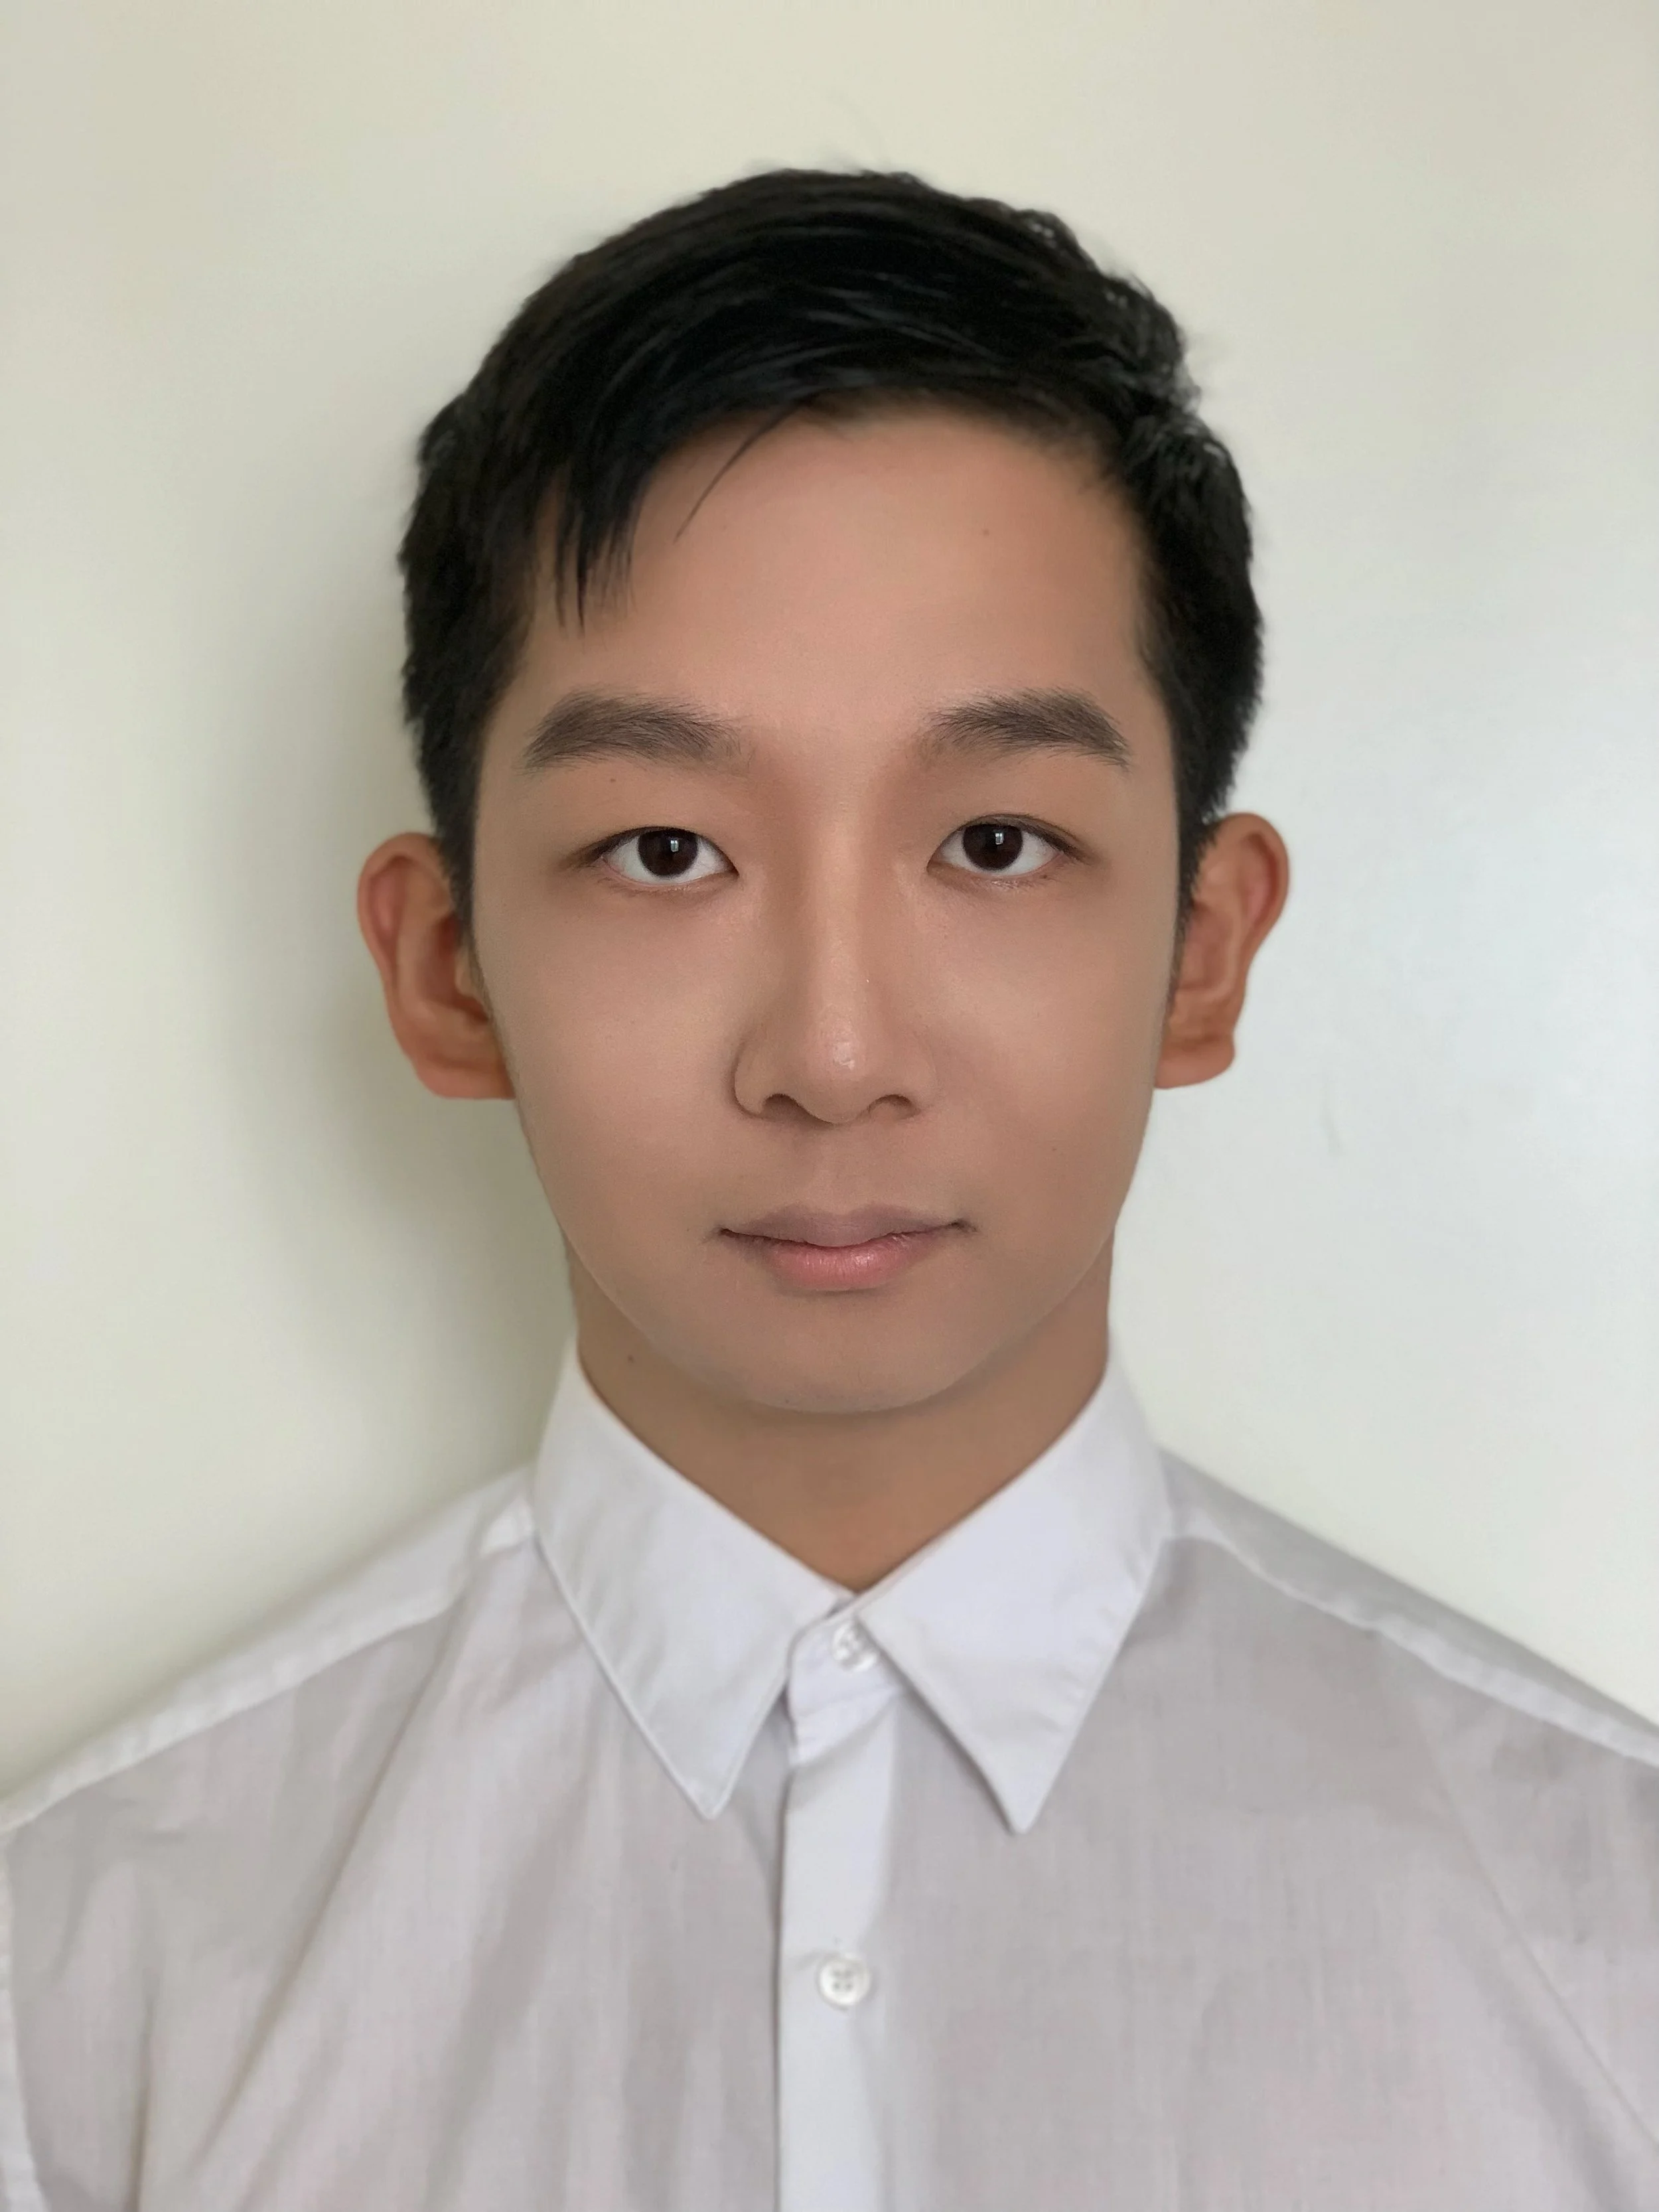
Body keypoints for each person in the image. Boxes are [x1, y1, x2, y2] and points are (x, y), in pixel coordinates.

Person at [1, 167, 1655, 2212]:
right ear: (447, 972)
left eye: (991, 842)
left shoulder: (1610, 1931)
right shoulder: (85, 1977)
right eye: (666, 851)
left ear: (1203, 949)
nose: (836, 1053)